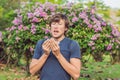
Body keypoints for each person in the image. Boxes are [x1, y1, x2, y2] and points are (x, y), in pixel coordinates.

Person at [29, 13, 81, 80]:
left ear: (65, 28)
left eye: (60, 24)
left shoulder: (72, 44)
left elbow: (76, 75)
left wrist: (58, 55)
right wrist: (45, 54)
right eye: (53, 24)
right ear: (50, 27)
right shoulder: (41, 43)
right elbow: (32, 71)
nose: (56, 27)